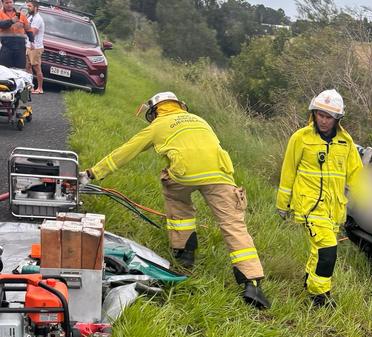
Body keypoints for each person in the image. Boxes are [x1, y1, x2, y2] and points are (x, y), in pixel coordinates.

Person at [79, 92, 271, 309]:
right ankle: (252, 284)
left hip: (184, 174)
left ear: (155, 111)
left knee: (175, 194)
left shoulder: (158, 125)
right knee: (234, 225)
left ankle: (184, 251)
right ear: (180, 106)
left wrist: (93, 173)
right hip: (220, 175)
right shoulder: (199, 120)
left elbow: (125, 152)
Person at [276, 89, 366, 307]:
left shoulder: (345, 142)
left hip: (333, 210)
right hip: (309, 206)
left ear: (338, 119)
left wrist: (366, 203)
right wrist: (282, 204)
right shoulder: (300, 138)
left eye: (329, 117)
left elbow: (357, 175)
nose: (323, 121)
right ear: (313, 113)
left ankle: (309, 280)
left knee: (319, 248)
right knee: (327, 249)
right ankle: (320, 296)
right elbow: (288, 171)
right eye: (320, 115)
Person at [0, 0, 33, 69]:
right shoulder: (0, 14)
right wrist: (11, 21)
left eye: (10, 2)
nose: (9, 4)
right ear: (2, 3)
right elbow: (2, 25)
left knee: (19, 69)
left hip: (20, 47)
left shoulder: (21, 14)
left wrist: (32, 40)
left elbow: (28, 29)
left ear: (13, 3)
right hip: (6, 46)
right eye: (7, 3)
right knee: (4, 69)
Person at [25, 1, 43, 93]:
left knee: (36, 67)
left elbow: (32, 33)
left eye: (30, 6)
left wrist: (22, 30)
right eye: (27, 6)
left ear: (35, 7)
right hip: (28, 45)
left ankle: (40, 88)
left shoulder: (38, 19)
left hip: (35, 47)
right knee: (28, 67)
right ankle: (30, 86)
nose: (28, 7)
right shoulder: (30, 17)